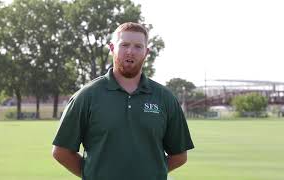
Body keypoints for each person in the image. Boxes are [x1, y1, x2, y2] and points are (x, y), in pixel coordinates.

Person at [52, 22, 194, 180]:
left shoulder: (165, 98)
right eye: (124, 45)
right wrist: (93, 174)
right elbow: (61, 152)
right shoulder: (86, 96)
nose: (130, 52)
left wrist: (152, 173)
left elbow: (180, 155)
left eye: (138, 46)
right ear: (112, 48)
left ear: (146, 52)